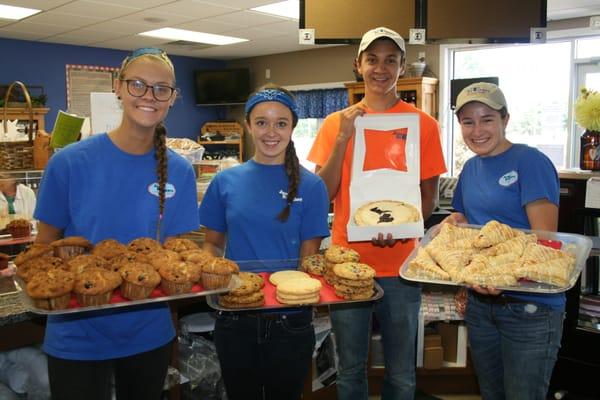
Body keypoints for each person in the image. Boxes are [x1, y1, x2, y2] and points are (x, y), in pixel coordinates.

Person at [33, 47, 199, 400]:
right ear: (118, 88)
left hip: (148, 334)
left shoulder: (181, 172)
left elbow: (175, 259)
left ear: (172, 98)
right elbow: (43, 250)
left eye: (161, 89)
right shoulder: (68, 163)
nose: (149, 96)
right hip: (76, 334)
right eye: (137, 84)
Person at [307, 27, 447, 400]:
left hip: (402, 267)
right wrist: (342, 139)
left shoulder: (424, 125)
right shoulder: (337, 122)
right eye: (372, 59)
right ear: (358, 65)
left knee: (402, 373)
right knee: (350, 370)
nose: (380, 68)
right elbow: (325, 193)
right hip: (348, 263)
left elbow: (427, 197)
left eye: (390, 60)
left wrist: (406, 226)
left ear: (402, 67)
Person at [198, 85, 330, 400]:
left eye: (281, 123)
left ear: (293, 127)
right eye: (261, 122)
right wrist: (209, 278)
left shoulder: (312, 186)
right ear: (248, 125)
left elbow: (308, 259)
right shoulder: (224, 182)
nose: (271, 132)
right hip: (235, 316)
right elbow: (213, 246)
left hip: (291, 320)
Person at [445, 82, 562, 400]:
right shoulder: (469, 169)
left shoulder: (530, 162)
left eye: (487, 119)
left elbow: (545, 242)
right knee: (491, 393)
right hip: (482, 305)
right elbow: (470, 228)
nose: (477, 130)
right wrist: (455, 223)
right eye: (468, 121)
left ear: (505, 120)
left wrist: (500, 276)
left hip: (530, 306)